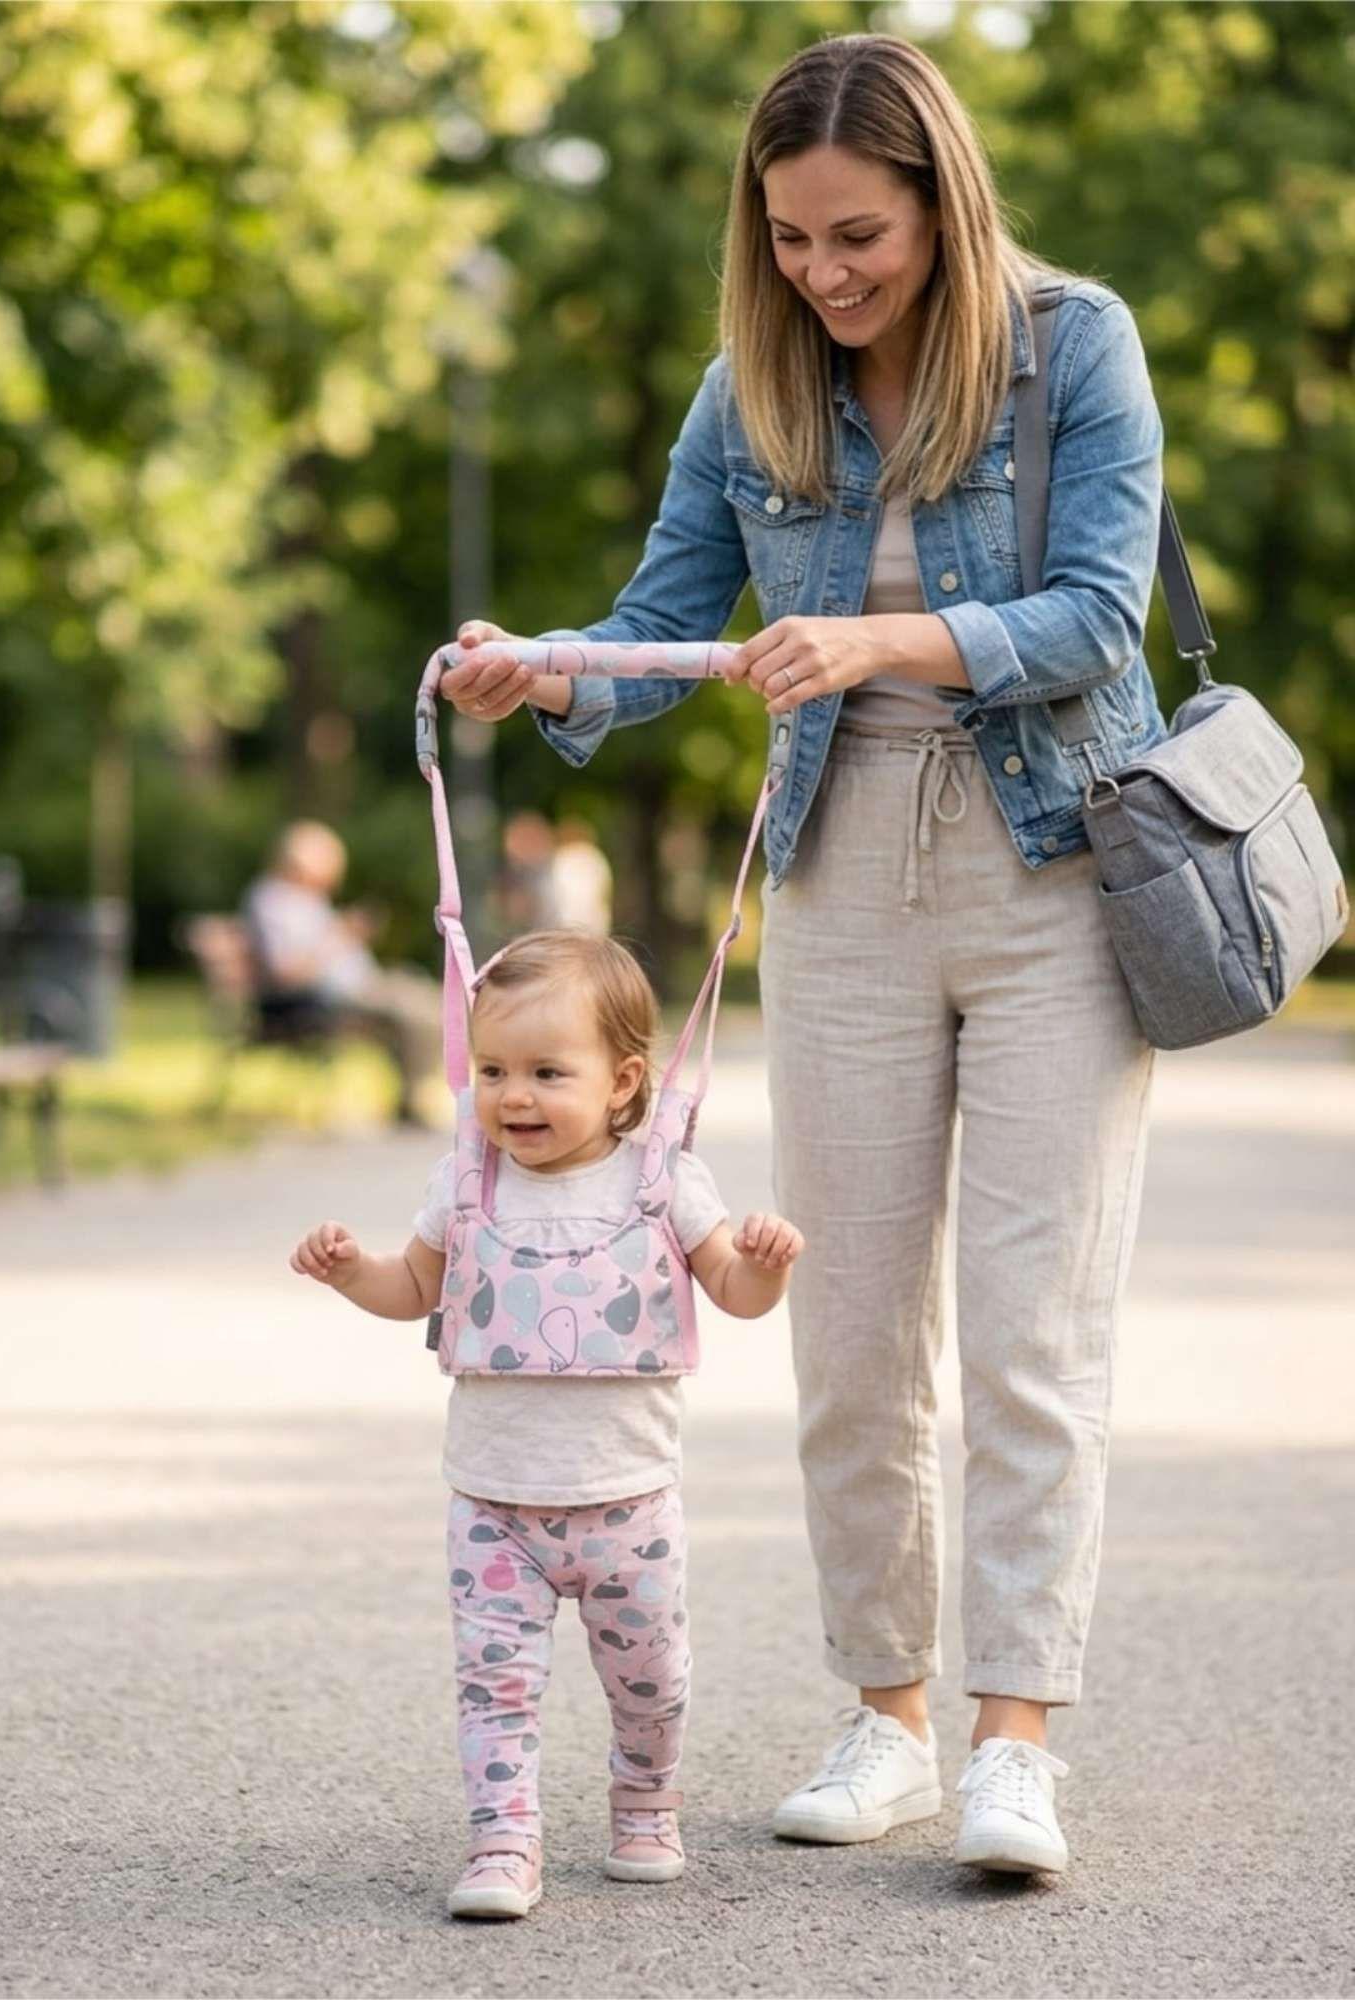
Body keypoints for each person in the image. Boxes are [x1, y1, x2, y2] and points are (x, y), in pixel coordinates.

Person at [437, 32, 1166, 1879]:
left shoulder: (1075, 345)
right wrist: (542, 674)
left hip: (1056, 867)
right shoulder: (747, 388)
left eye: (860, 235)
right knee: (846, 1334)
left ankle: (1015, 1741)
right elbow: (662, 619)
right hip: (840, 878)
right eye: (789, 239)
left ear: (942, 203)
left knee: (1032, 1333)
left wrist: (875, 645)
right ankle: (887, 1718)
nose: (824, 273)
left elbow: (1099, 612)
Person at [290, 930, 804, 1919]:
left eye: (545, 1073)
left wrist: (767, 1265)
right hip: (494, 1505)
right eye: (492, 1070)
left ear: (623, 1082)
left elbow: (735, 1292)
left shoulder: (663, 1181)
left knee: (652, 1680)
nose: (513, 1096)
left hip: (629, 1504)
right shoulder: (465, 1181)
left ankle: (645, 1801)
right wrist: (353, 1272)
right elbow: (413, 1287)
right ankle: (502, 1838)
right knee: (494, 1685)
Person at [243, 820, 441, 1124]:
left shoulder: (305, 899)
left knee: (422, 996)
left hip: (355, 990)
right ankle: (413, 1100)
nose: (333, 877)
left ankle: (413, 1096)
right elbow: (286, 972)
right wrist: (341, 934)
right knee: (415, 1008)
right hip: (319, 1002)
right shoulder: (272, 901)